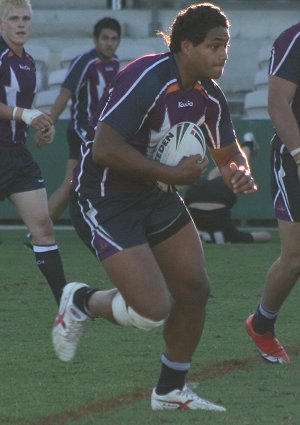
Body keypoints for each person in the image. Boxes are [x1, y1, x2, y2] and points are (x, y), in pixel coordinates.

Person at [52, 3, 257, 411]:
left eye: (226, 46)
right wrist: (170, 172)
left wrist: (238, 172)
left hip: (157, 194)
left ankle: (170, 391)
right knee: (152, 310)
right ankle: (81, 301)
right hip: (105, 198)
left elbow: (228, 153)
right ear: (186, 46)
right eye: (215, 46)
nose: (223, 54)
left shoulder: (209, 95)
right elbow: (105, 148)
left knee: (194, 289)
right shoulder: (147, 76)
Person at [23, 17, 121, 251]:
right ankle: (37, 231)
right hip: (82, 132)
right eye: (105, 38)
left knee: (78, 184)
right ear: (95, 40)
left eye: (114, 39)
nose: (109, 44)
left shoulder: (115, 63)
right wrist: (48, 123)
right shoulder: (85, 62)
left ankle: (40, 229)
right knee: (71, 184)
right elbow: (65, 94)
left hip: (101, 134)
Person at [0, 0, 66, 304]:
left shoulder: (27, 63)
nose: (21, 24)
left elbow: (21, 113)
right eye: (14, 18)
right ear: (2, 23)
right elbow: (16, 111)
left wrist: (41, 128)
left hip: (17, 157)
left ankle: (66, 304)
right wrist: (23, 115)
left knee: (43, 227)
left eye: (25, 18)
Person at [245, 23, 300, 364]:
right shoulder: (293, 38)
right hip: (293, 156)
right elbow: (277, 103)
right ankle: (262, 324)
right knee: (295, 257)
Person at [185, 132, 271, 243]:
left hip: (216, 198)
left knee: (235, 171)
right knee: (222, 173)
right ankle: (248, 145)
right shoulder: (229, 236)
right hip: (194, 196)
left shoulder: (231, 236)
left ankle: (248, 145)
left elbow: (265, 236)